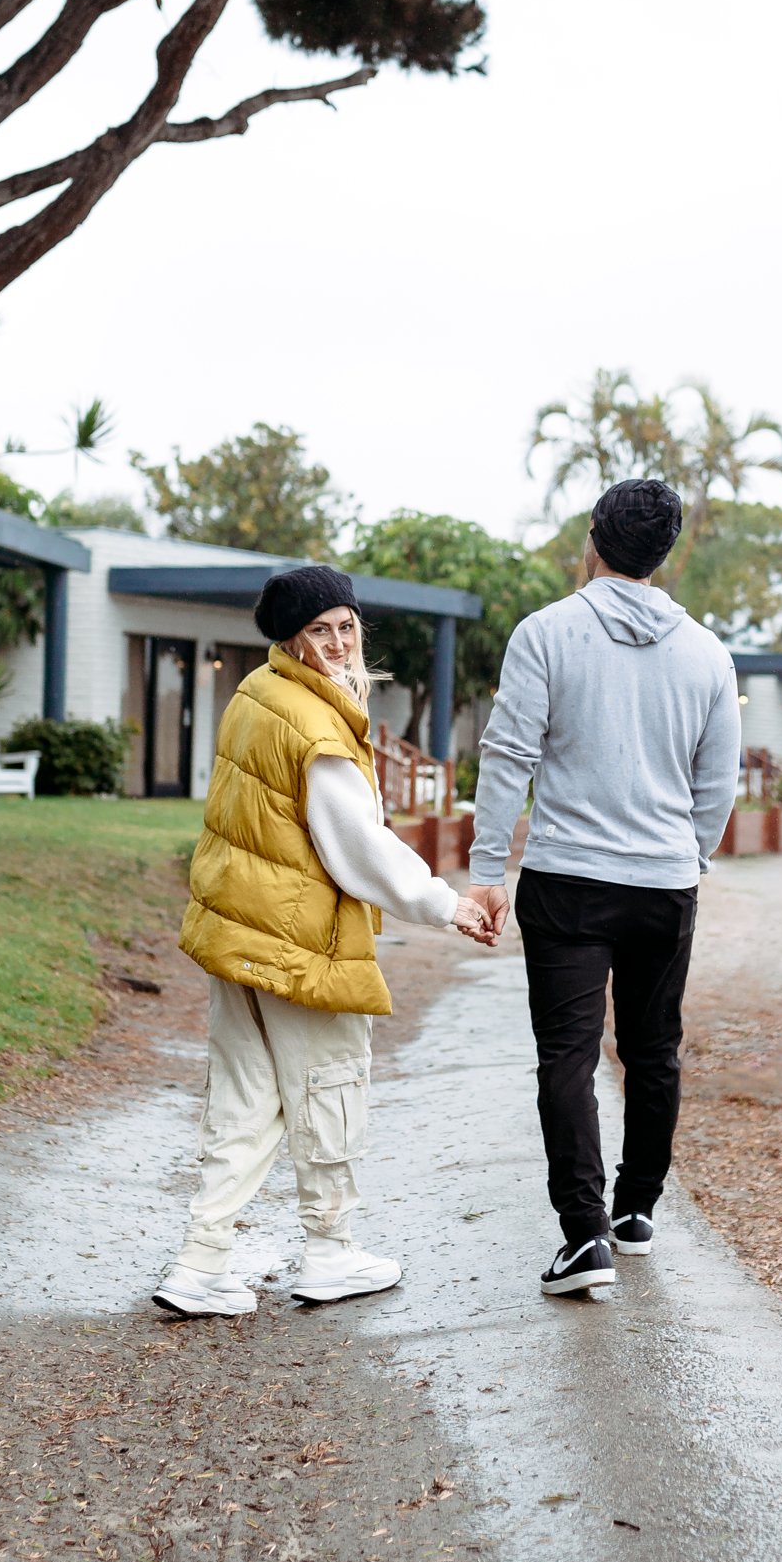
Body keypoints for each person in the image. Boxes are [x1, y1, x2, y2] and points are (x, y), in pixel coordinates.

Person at [154, 565, 497, 1318]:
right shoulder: (315, 726)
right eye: (321, 630)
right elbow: (358, 846)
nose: (339, 642)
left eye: (346, 626)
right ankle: (330, 1251)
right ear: (291, 638)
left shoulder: (254, 694)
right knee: (330, 1087)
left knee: (244, 1097)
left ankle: (201, 1260)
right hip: (296, 935)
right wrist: (446, 906)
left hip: (238, 928)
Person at [467, 479, 741, 1296]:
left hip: (567, 881)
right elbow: (716, 781)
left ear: (593, 539)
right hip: (663, 885)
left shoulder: (544, 634)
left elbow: (507, 756)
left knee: (568, 1056)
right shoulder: (708, 654)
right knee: (653, 1051)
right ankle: (635, 1212)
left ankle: (584, 1237)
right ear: (662, 554)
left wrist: (486, 872)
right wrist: (684, 855)